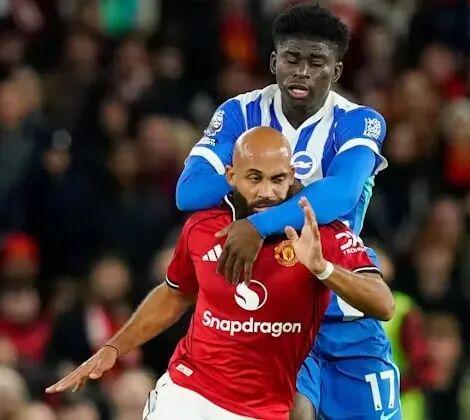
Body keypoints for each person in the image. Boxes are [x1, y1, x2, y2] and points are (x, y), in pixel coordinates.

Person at [45, 127, 394, 420]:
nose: (267, 192)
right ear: (231, 177)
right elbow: (174, 293)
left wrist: (322, 268)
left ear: (292, 176)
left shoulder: (321, 233)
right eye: (254, 178)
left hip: (263, 408)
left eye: (277, 179)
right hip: (188, 392)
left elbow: (383, 304)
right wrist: (113, 347)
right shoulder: (202, 227)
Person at [176, 4, 399, 419]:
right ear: (274, 62)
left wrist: (259, 224)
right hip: (275, 311)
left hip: (341, 297)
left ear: (335, 71)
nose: (302, 72)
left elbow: (342, 194)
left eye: (317, 62)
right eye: (292, 59)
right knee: (293, 410)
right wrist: (257, 176)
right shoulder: (240, 113)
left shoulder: (357, 121)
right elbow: (188, 192)